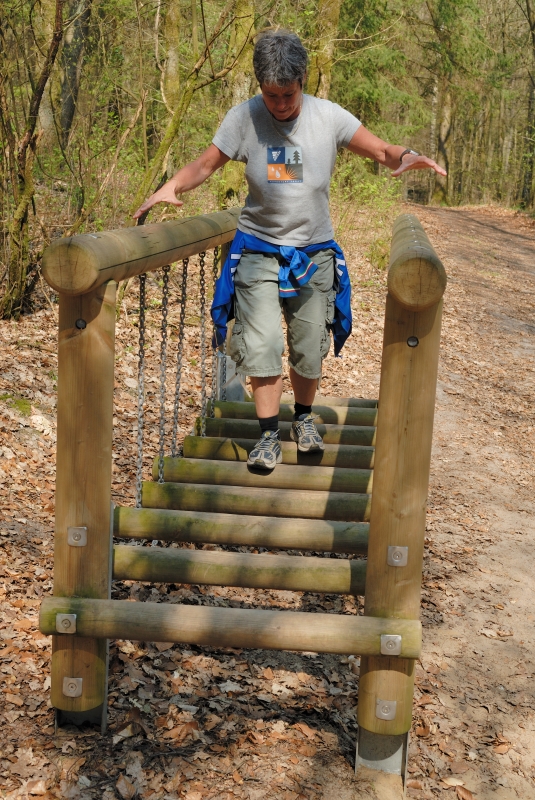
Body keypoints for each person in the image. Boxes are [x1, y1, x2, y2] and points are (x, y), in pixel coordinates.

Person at [133, 29, 446, 470]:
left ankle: (303, 418)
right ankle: (267, 437)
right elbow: (206, 163)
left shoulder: (328, 117)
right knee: (261, 343)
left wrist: (406, 154)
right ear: (259, 87)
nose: (279, 104)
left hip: (313, 254)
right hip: (258, 249)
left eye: (287, 93)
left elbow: (380, 149)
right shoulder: (243, 118)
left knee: (307, 347)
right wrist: (170, 187)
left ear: (302, 79)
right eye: (270, 94)